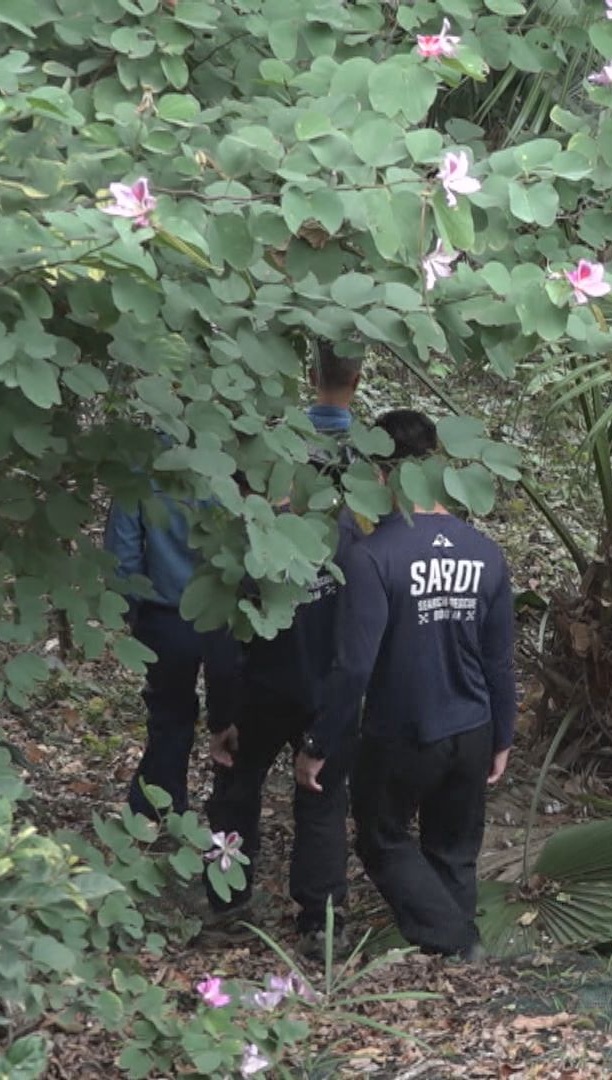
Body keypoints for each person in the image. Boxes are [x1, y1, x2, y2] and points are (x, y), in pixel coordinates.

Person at [298, 409, 517, 960]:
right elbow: (499, 660)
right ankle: (458, 963)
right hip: (472, 725)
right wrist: (503, 735)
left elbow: (354, 666)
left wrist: (320, 743)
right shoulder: (485, 552)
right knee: (453, 848)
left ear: (381, 474)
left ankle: (458, 944)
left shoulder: (372, 556)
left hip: (401, 732)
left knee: (382, 838)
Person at [199, 342, 365, 953]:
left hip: (262, 686)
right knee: (321, 799)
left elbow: (223, 632)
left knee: (235, 794)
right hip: (324, 684)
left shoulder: (251, 538)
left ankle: (225, 905)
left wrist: (221, 715)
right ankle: (320, 920)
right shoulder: (345, 533)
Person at [107, 475, 236, 820]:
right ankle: (231, 817)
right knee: (235, 715)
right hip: (227, 608)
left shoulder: (141, 468)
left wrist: (134, 611)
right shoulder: (235, 458)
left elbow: (122, 553)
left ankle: (158, 813)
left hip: (166, 614)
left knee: (169, 716)